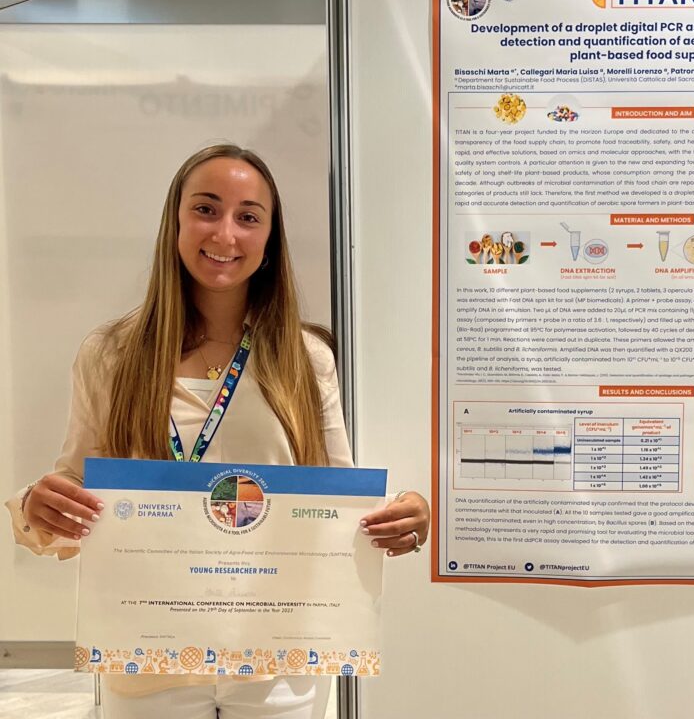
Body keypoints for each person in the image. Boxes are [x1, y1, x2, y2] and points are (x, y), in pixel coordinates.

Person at [6, 144, 429, 718]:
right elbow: (77, 487)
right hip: (148, 655)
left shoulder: (306, 358)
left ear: (270, 238)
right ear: (176, 222)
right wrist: (39, 505)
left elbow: (336, 493)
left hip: (278, 657)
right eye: (206, 209)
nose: (225, 233)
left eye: (248, 216)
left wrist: (401, 515)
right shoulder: (111, 354)